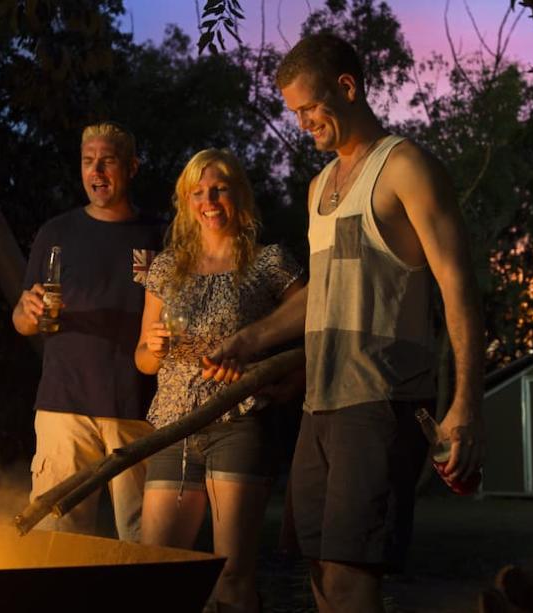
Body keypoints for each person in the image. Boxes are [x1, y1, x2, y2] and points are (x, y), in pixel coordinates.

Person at [203, 34, 486, 612]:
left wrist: (466, 405)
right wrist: (249, 339)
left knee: (353, 575)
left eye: (310, 107)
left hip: (382, 401)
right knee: (321, 574)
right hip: (321, 404)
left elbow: (458, 287)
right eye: (294, 113)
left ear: (348, 87)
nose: (303, 122)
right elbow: (324, 296)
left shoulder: (404, 166)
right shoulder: (318, 189)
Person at [134, 148, 304, 612]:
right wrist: (152, 347)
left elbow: (313, 319)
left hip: (239, 421)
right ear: (186, 202)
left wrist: (284, 381)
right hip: (173, 425)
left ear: (239, 195)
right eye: (197, 192)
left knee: (232, 573)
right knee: (158, 566)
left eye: (219, 189)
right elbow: (143, 362)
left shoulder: (269, 262)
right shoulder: (167, 267)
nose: (208, 200)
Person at [11, 121, 161, 541]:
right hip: (64, 410)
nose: (96, 172)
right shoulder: (56, 233)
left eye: (107, 161)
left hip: (138, 411)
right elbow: (22, 320)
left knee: (143, 541)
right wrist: (27, 311)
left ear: (131, 168)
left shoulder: (157, 235)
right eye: (88, 161)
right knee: (57, 541)